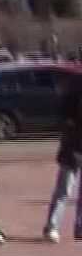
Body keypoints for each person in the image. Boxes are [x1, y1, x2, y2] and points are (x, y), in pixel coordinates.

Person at [42, 72, 82, 242]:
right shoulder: (75, 88)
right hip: (73, 147)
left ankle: (80, 227)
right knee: (64, 189)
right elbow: (64, 117)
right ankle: (52, 226)